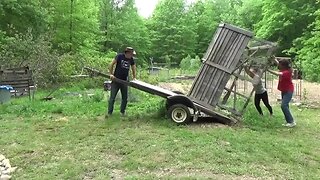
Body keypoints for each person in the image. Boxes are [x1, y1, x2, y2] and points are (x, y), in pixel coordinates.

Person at [106, 47, 137, 118]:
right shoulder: (119, 56)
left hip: (124, 81)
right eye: (131, 54)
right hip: (116, 79)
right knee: (112, 97)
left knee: (125, 98)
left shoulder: (131, 59)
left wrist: (134, 77)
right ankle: (109, 113)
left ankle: (122, 112)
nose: (132, 55)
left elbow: (133, 68)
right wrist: (111, 74)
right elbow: (111, 64)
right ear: (127, 53)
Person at [268, 58, 296, 127]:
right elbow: (279, 64)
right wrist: (274, 59)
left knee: (283, 105)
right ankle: (289, 121)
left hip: (288, 91)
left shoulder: (286, 72)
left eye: (280, 65)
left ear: (283, 66)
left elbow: (278, 73)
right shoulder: (284, 69)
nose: (278, 66)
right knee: (286, 106)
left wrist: (267, 70)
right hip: (284, 90)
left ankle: (291, 122)